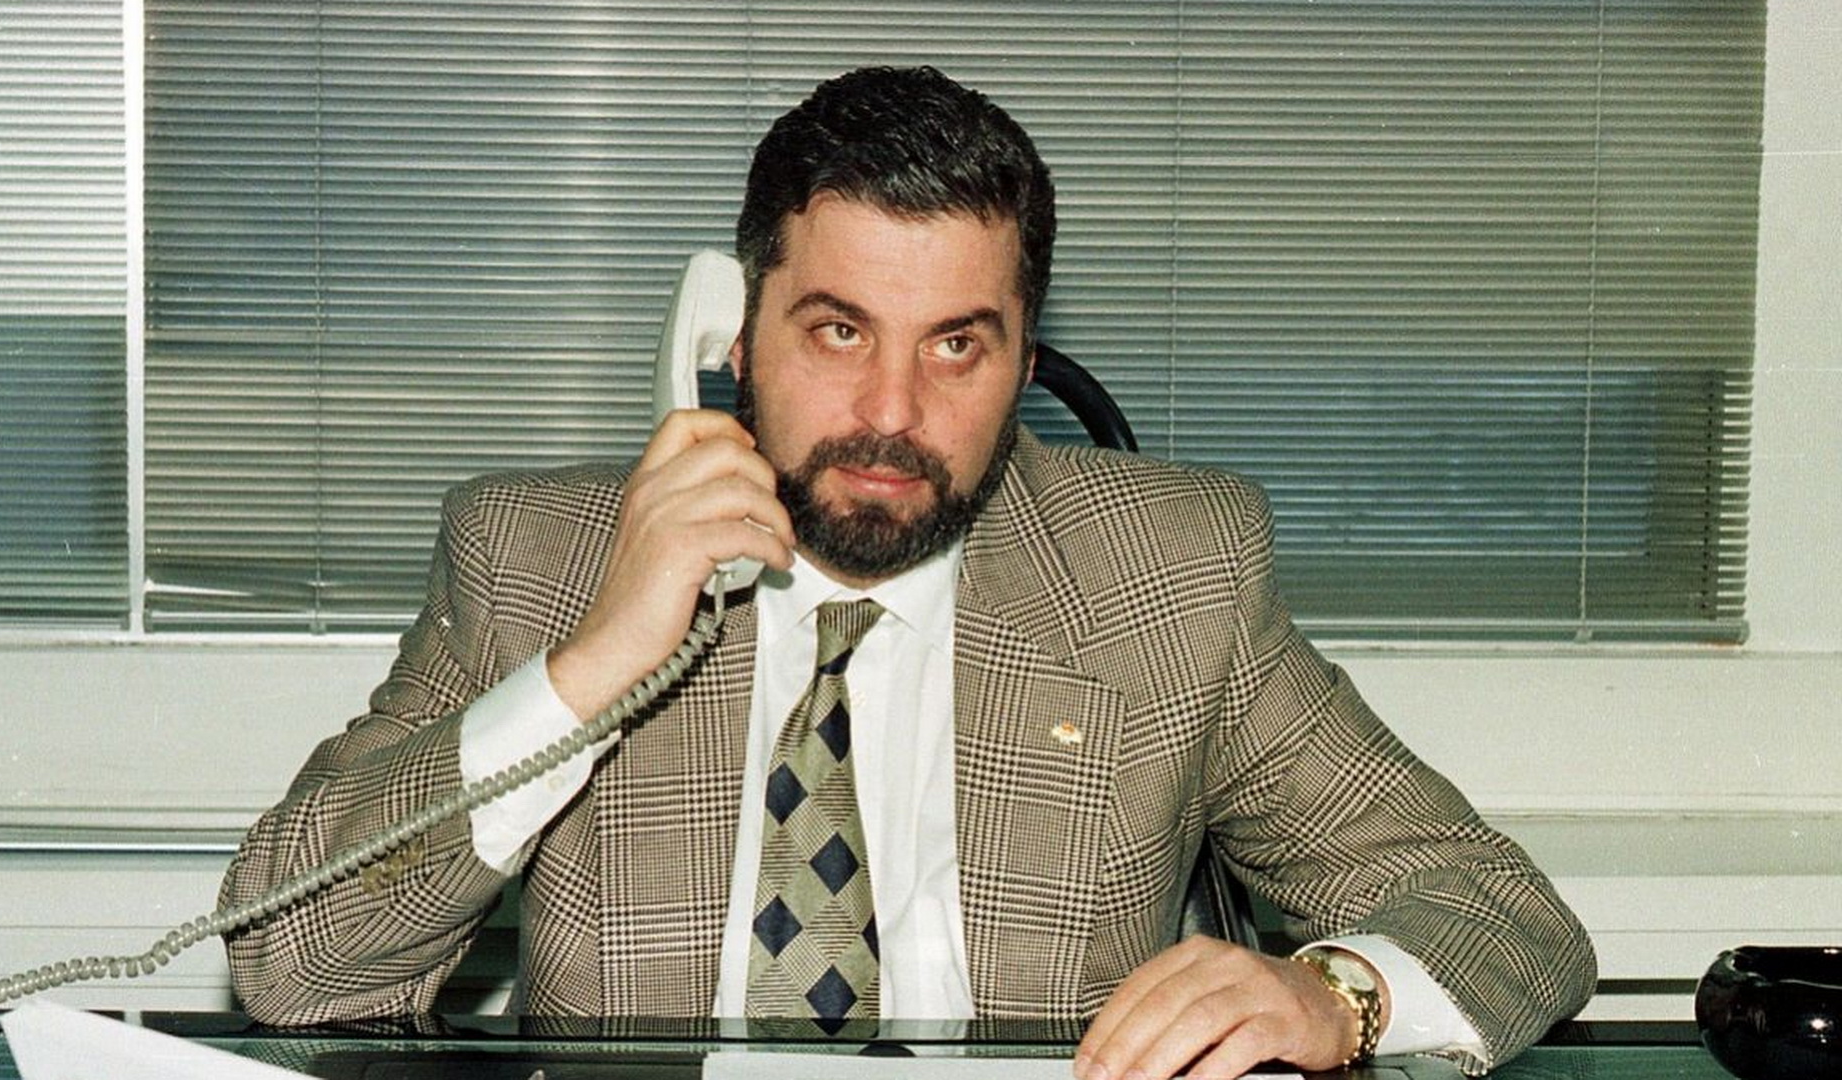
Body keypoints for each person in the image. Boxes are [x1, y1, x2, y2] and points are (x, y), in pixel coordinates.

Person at [221, 65, 1594, 1078]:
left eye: (955, 345)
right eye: (836, 331)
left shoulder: (1171, 576)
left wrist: (1334, 997)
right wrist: (593, 666)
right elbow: (290, 967)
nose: (891, 412)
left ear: (1025, 357)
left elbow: (1500, 913)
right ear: (734, 334)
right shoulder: (536, 557)